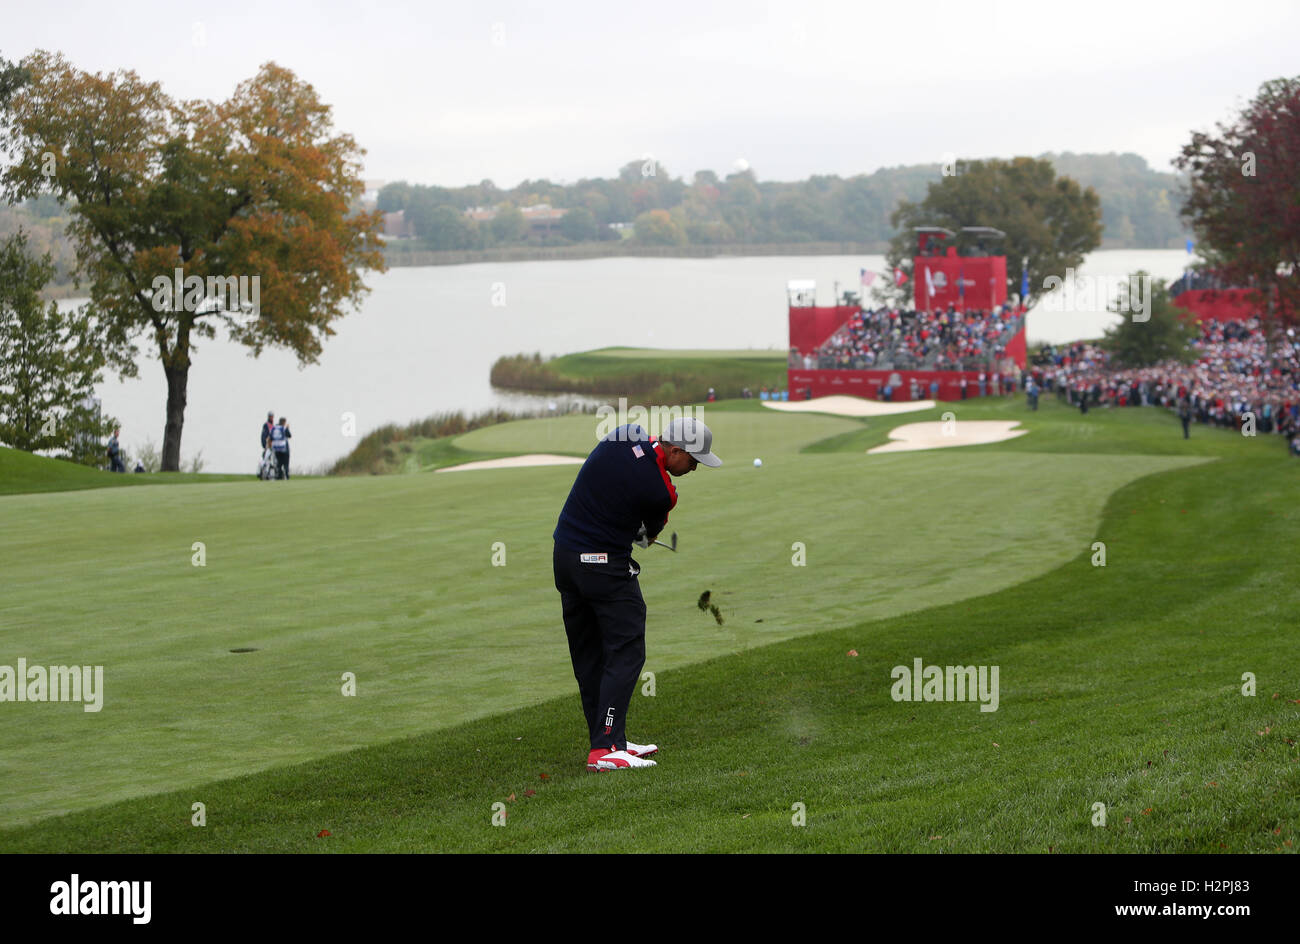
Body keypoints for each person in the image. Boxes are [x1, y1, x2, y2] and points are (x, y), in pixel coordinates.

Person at [552, 417, 722, 772]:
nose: (693, 468)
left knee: (590, 654)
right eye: (693, 461)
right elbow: (644, 538)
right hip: (602, 567)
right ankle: (604, 750)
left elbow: (615, 480)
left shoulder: (624, 434)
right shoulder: (663, 492)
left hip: (565, 557)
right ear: (675, 451)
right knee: (627, 649)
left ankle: (610, 740)